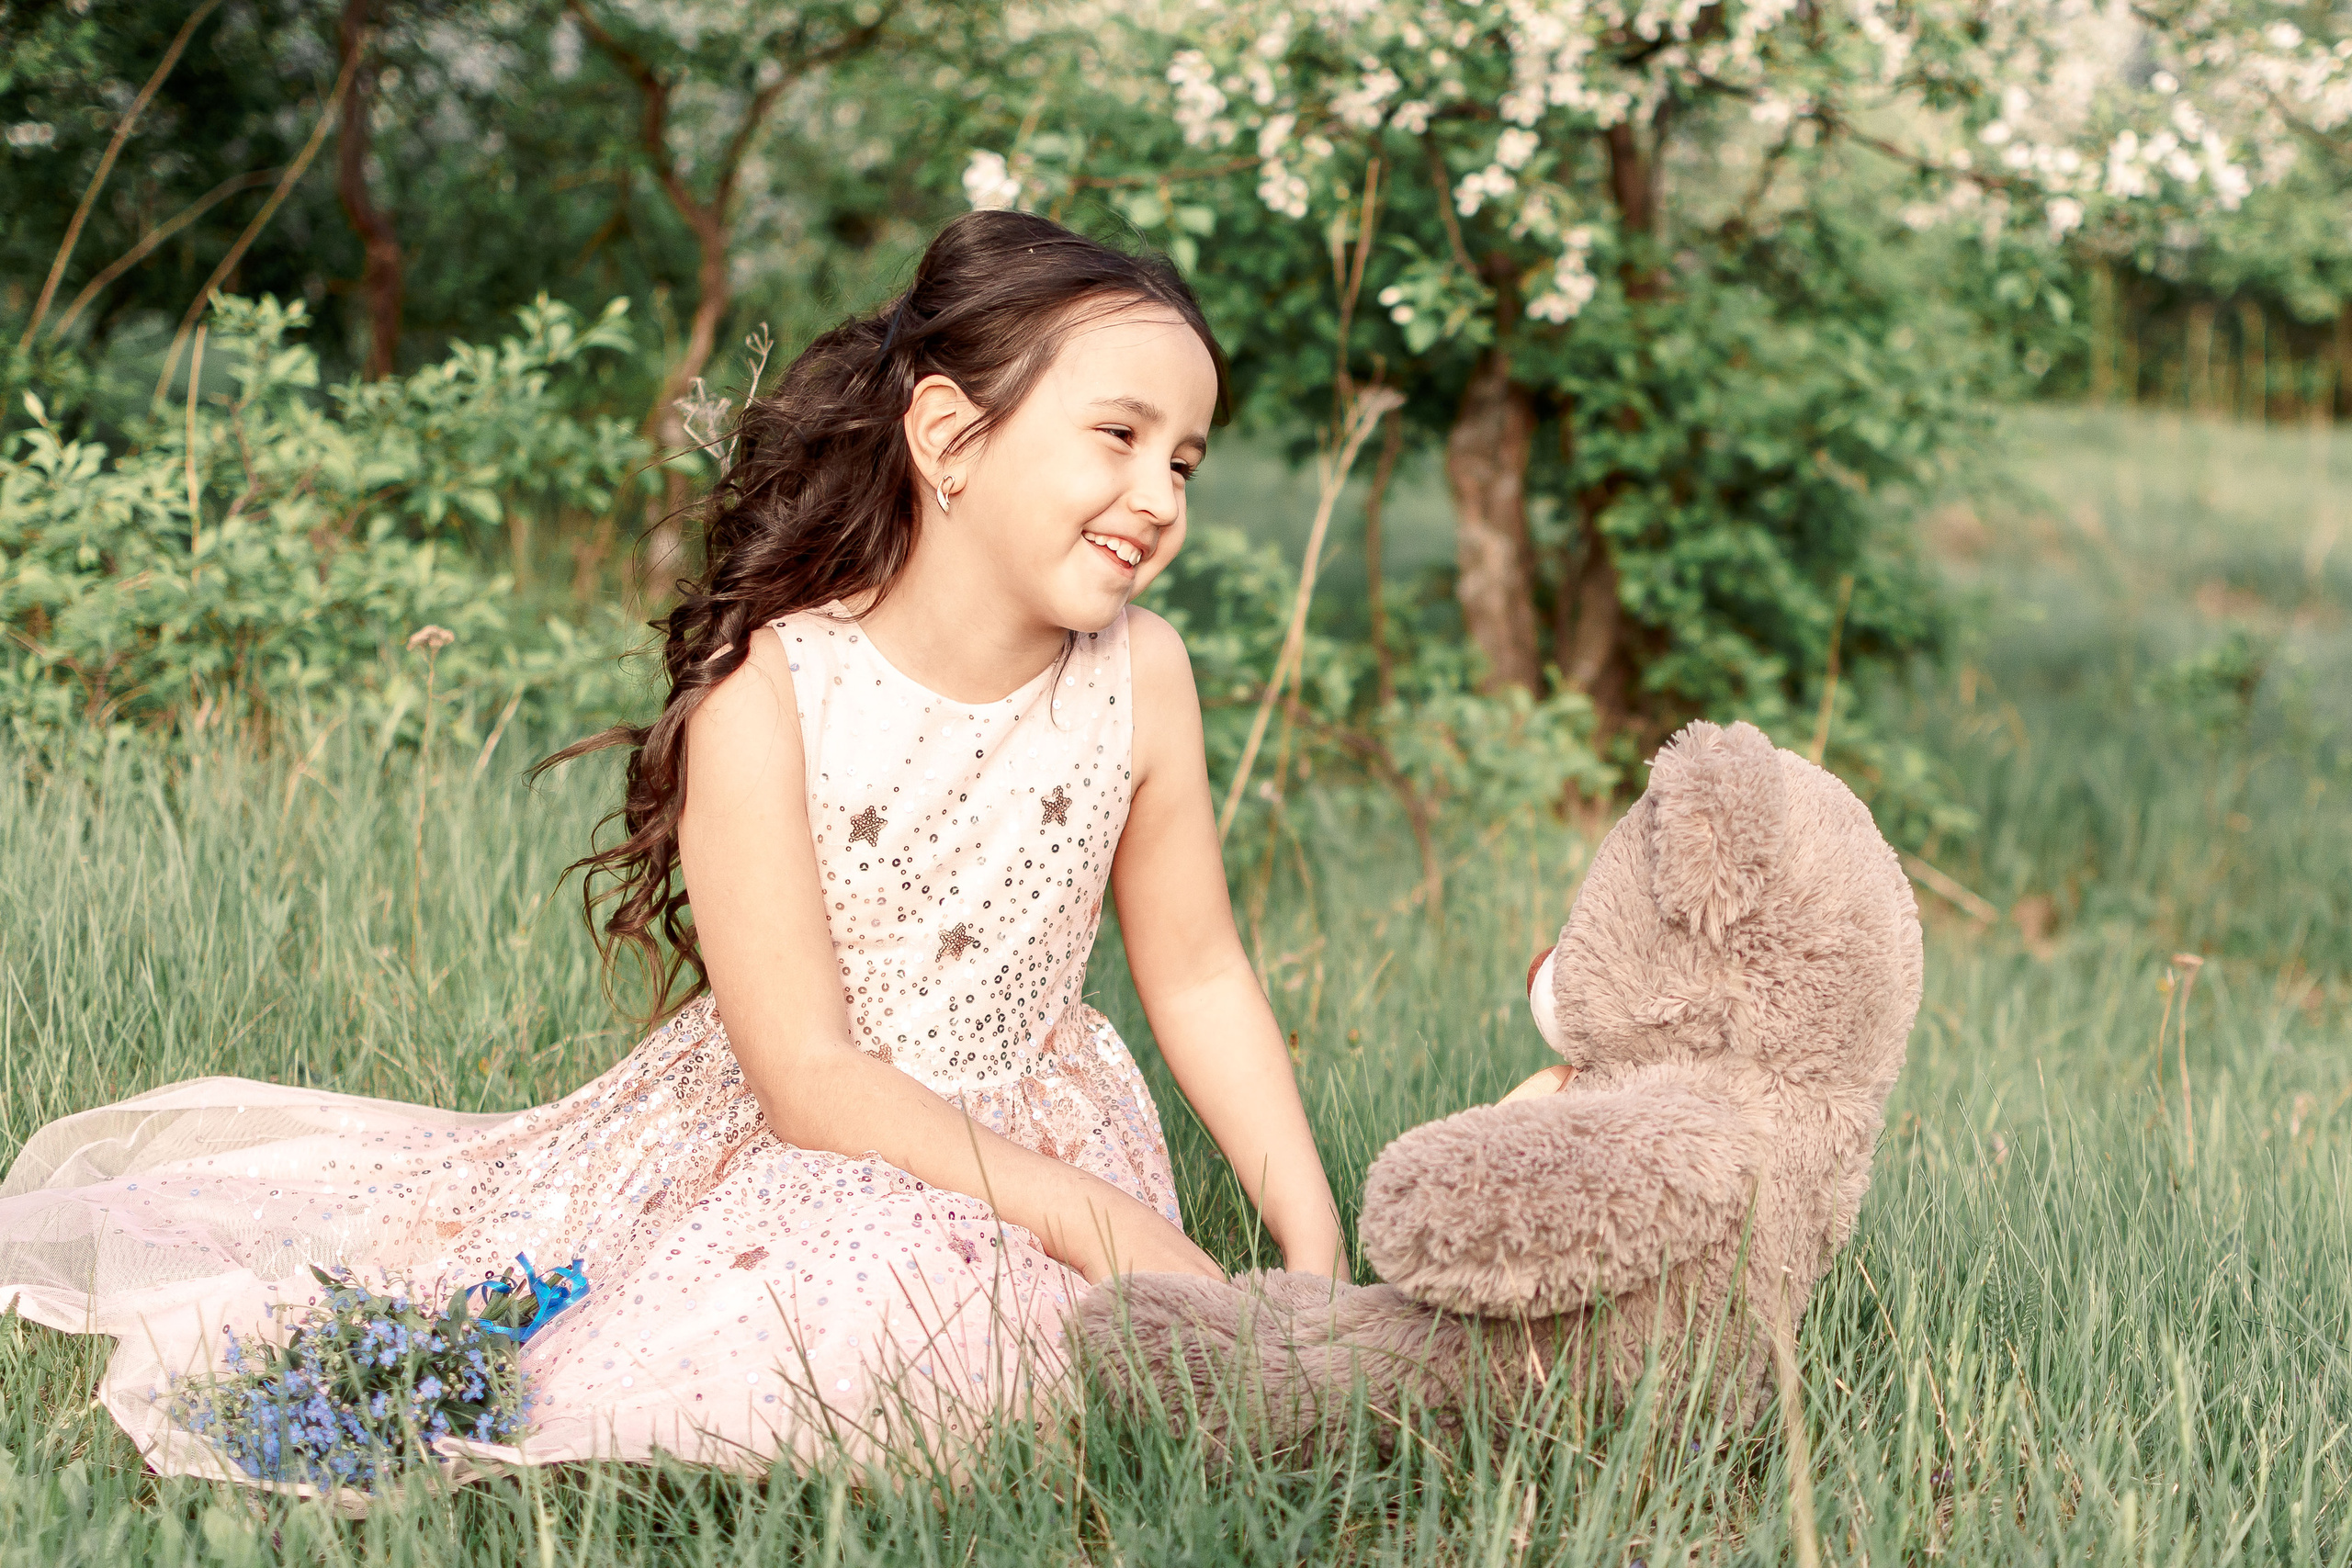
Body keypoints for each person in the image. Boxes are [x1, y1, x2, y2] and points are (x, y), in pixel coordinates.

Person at [0, 211, 1342, 1481]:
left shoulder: (1140, 673)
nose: (1157, 494)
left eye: (1182, 459)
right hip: (823, 1132)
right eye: (1117, 434)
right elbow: (813, 1078)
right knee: (887, 1333)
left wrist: (1314, 1249)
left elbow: (1199, 973)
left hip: (1044, 1115)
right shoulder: (772, 691)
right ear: (950, 434)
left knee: (1069, 1351)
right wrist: (1102, 1225)